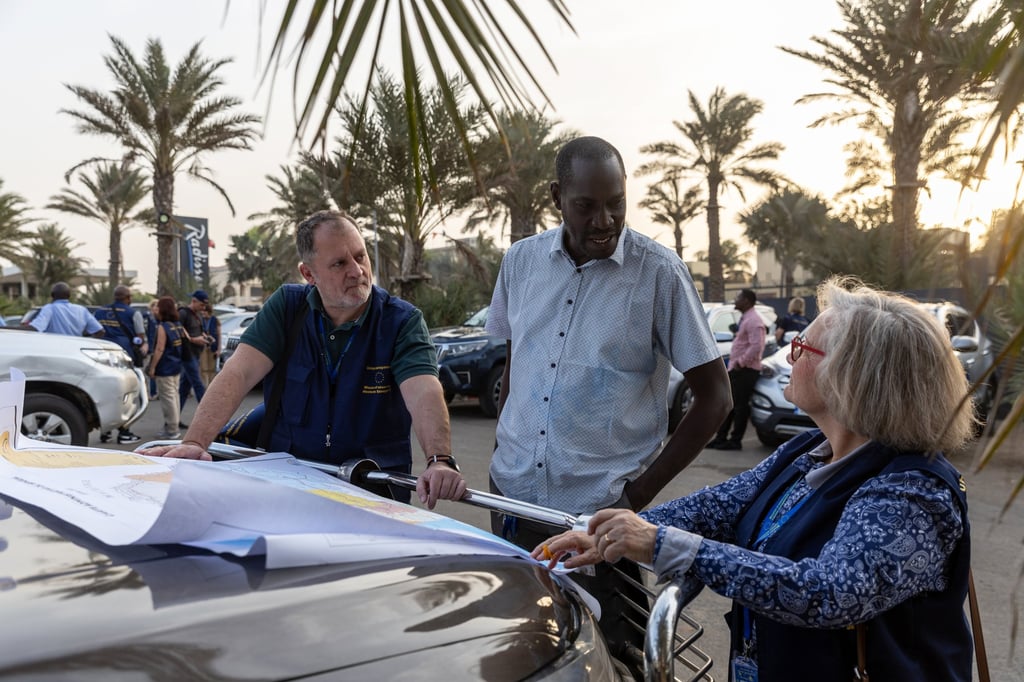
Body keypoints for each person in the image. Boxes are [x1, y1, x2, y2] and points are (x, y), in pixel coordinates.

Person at [536, 276, 976, 682]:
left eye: (803, 346)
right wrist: (607, 532)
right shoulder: (806, 452)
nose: (789, 353)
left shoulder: (914, 493)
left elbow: (829, 592)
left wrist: (661, 544)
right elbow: (722, 505)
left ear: (849, 378)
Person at [484, 136, 731, 662]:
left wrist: (634, 499)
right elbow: (516, 364)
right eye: (587, 206)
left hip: (596, 522)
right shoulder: (521, 263)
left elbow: (715, 398)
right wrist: (504, 452)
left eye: (616, 203)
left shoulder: (658, 273)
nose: (604, 220)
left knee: (610, 657)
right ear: (557, 197)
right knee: (520, 648)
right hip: (511, 501)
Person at [140, 210, 466, 510]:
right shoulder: (287, 308)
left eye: (360, 256)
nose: (356, 271)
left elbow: (424, 390)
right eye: (339, 264)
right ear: (308, 273)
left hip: (372, 491)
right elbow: (238, 373)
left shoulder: (401, 321)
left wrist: (440, 459)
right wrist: (195, 442)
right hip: (289, 485)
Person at [707, 288, 766, 451]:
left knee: (740, 407)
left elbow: (757, 346)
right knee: (729, 404)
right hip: (738, 369)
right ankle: (720, 438)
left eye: (738, 297)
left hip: (746, 370)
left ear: (746, 301)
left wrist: (741, 362)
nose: (735, 300)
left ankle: (735, 441)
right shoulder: (746, 318)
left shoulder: (754, 320)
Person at [94, 284, 148, 444]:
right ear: (127, 298)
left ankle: (105, 432)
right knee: (127, 396)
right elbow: (140, 336)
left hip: (102, 357)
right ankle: (125, 431)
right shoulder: (133, 313)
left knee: (105, 394)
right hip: (124, 358)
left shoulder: (100, 311)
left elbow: (94, 332)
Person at [147, 296, 186, 439]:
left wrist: (152, 367)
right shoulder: (177, 325)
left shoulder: (162, 327)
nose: (156, 309)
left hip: (165, 368)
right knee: (174, 396)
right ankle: (173, 426)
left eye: (158, 306)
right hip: (176, 365)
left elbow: (159, 349)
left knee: (168, 398)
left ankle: (172, 429)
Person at [22, 282, 104, 337]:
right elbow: (100, 331)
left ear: (52, 295)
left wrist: (10, 329)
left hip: (55, 350)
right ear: (69, 295)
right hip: (77, 351)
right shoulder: (82, 310)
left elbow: (35, 328)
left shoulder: (50, 308)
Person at [176, 290, 209, 425]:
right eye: (201, 305)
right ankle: (208, 416)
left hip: (196, 354)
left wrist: (205, 337)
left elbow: (199, 331)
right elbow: (178, 330)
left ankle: (174, 419)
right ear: (194, 301)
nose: (203, 308)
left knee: (184, 389)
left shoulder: (197, 315)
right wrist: (195, 340)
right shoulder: (183, 313)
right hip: (187, 354)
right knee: (198, 385)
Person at [198, 301, 221, 387]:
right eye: (202, 311)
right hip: (203, 346)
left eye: (204, 311)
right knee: (203, 368)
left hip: (213, 347)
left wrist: (219, 349)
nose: (202, 313)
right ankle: (206, 386)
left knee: (212, 368)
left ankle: (211, 386)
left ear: (209, 311)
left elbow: (219, 335)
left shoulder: (215, 320)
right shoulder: (200, 320)